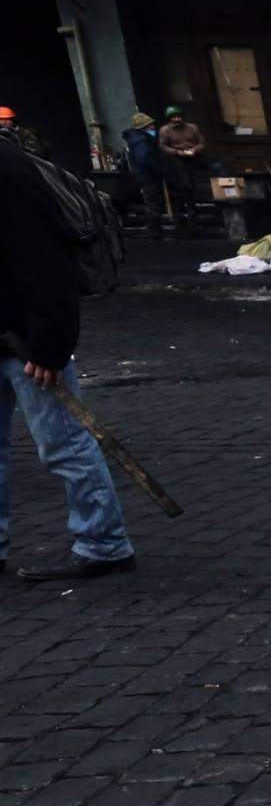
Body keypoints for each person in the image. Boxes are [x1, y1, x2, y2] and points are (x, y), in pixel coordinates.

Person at [0, 133, 137, 584]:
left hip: (25, 340)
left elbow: (42, 260)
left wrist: (51, 343)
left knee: (64, 444)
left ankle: (104, 543)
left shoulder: (9, 170)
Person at [122, 112, 171, 237]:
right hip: (148, 177)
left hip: (144, 176)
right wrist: (159, 169)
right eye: (150, 125)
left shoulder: (136, 139)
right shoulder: (141, 140)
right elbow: (144, 158)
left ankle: (154, 230)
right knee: (153, 203)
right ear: (144, 127)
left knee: (152, 202)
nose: (153, 127)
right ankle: (154, 231)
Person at [158, 106, 207, 220]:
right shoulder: (165, 130)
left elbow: (202, 142)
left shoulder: (192, 128)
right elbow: (163, 145)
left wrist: (194, 150)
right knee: (184, 181)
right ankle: (188, 206)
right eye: (174, 117)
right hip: (177, 158)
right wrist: (177, 152)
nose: (177, 119)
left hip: (194, 155)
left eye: (178, 116)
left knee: (200, 175)